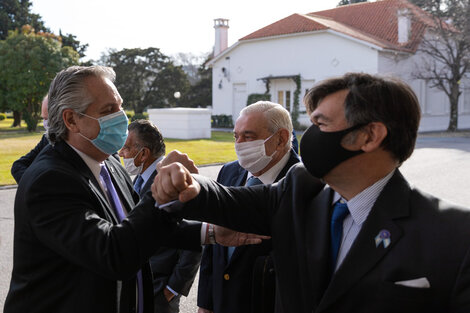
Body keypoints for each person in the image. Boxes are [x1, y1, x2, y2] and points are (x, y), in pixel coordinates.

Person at [153, 72, 470, 313]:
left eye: (321, 123)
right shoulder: (300, 187)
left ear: (370, 135)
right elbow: (227, 201)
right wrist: (188, 185)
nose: (309, 136)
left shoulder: (455, 235)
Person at [4, 65, 264, 313]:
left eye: (120, 106)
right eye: (109, 109)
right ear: (71, 120)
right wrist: (160, 187)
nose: (121, 117)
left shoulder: (109, 162)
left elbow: (137, 226)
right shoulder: (49, 181)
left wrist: (211, 233)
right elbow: (113, 253)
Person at [198, 101, 299, 313]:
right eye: (236, 136)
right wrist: (205, 303)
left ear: (281, 139)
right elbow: (213, 247)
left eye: (249, 136)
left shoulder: (305, 184)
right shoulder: (229, 172)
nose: (239, 144)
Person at [119, 119, 202, 313]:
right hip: (138, 285)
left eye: (126, 149)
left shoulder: (173, 180)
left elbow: (194, 242)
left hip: (160, 291)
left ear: (144, 153)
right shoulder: (137, 180)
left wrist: (172, 289)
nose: (121, 154)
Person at [11, 95, 49, 183]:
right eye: (44, 118)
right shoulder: (47, 139)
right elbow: (18, 166)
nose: (45, 122)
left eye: (48, 118)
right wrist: (35, 186)